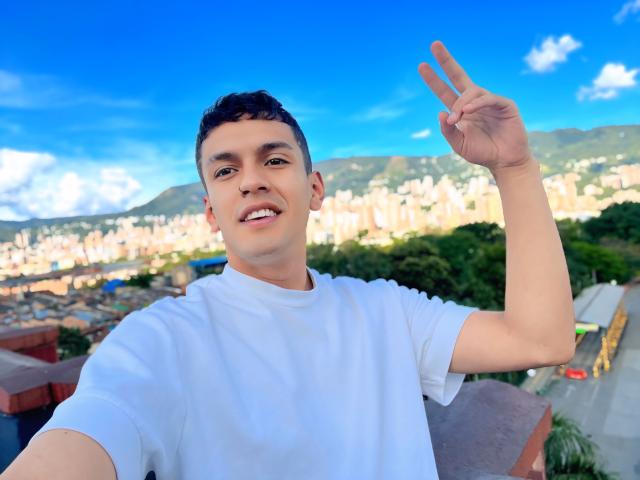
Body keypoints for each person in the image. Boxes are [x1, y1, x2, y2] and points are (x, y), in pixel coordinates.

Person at [1, 40, 575, 480]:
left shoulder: (385, 311)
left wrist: (515, 168)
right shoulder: (161, 340)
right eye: (226, 170)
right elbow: (91, 428)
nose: (251, 181)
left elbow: (540, 339)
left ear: (315, 188)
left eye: (274, 160)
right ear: (210, 211)